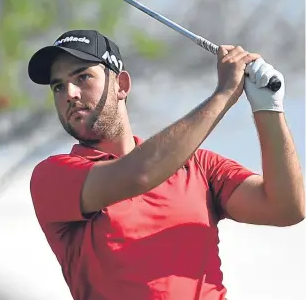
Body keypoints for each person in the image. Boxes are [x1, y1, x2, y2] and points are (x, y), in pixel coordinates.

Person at [27, 29, 304, 300]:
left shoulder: (199, 166)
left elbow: (286, 208)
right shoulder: (53, 176)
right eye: (58, 86)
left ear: (121, 85)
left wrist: (268, 107)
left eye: (83, 76)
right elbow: (141, 173)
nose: (70, 94)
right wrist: (224, 93)